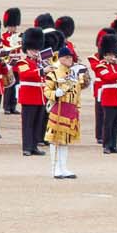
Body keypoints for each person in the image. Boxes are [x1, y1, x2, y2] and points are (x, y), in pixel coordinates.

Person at [44, 39, 85, 178]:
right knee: (55, 139)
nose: (69, 60)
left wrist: (77, 108)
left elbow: (78, 92)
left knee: (65, 141)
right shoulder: (54, 74)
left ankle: (63, 167)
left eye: (70, 57)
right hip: (58, 109)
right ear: (60, 58)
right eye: (67, 57)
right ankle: (55, 168)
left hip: (70, 109)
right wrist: (56, 94)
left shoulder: (75, 74)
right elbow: (46, 91)